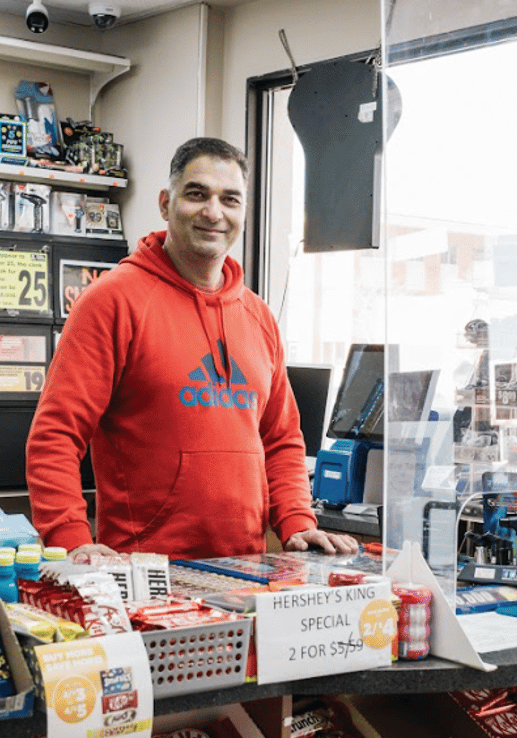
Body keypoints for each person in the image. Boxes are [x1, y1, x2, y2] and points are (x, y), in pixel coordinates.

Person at [26, 136, 358, 562]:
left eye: (230, 199)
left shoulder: (258, 317)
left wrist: (297, 521)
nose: (213, 213)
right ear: (166, 204)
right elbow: (54, 436)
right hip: (143, 569)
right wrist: (70, 540)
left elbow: (281, 439)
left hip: (246, 568)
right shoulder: (111, 301)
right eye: (197, 194)